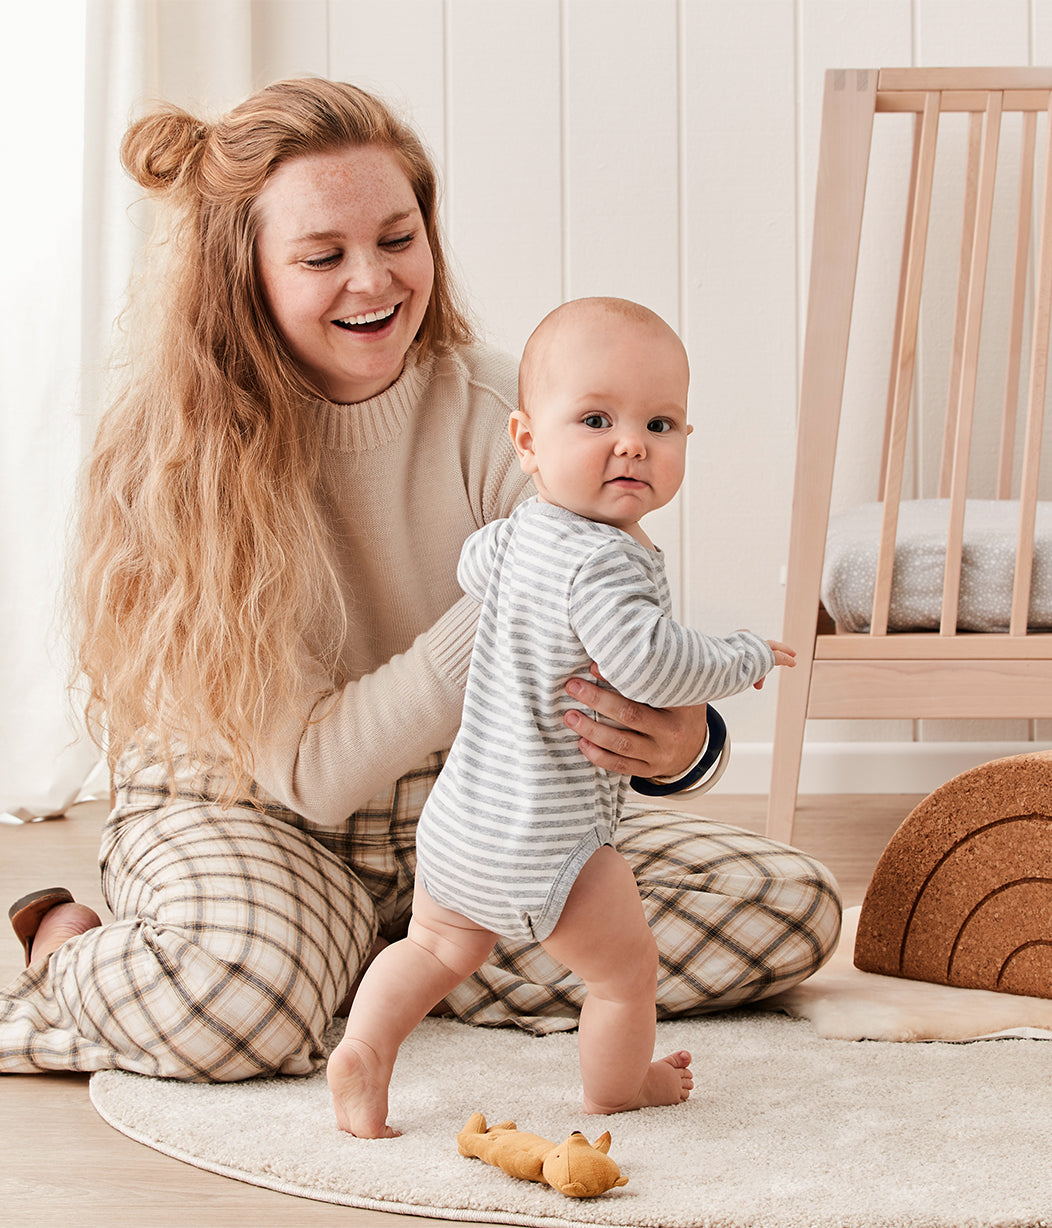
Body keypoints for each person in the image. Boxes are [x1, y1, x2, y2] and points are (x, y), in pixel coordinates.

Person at [1, 78, 840, 1083]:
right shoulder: (175, 460)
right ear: (241, 274)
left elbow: (611, 651)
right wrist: (517, 606)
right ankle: (75, 947)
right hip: (250, 808)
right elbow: (312, 774)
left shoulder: (509, 414)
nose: (374, 280)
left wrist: (680, 746)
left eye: (398, 239)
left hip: (475, 808)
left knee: (787, 906)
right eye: (322, 257)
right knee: (239, 1003)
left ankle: (388, 964)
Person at [327, 297, 797, 1137]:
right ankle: (621, 1087)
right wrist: (741, 656)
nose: (632, 444)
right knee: (623, 975)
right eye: (596, 420)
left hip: (460, 822)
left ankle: (365, 1049)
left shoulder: (518, 532)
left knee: (434, 949)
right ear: (527, 441)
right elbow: (651, 664)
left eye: (660, 424)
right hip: (550, 840)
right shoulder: (604, 563)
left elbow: (472, 566)